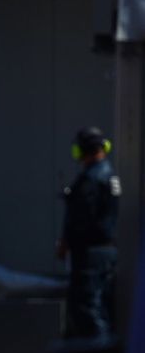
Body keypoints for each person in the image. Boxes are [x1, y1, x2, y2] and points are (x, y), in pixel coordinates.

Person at [57, 126, 121, 340]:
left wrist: (67, 241)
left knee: (87, 308)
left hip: (90, 254)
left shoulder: (91, 179)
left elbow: (81, 219)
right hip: (107, 252)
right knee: (102, 305)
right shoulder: (109, 175)